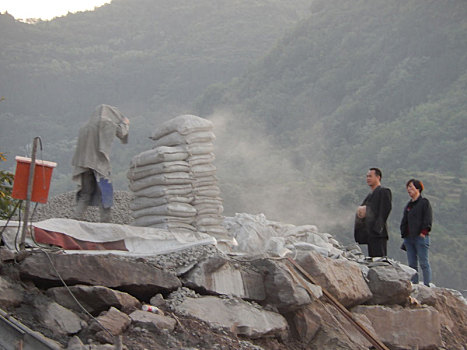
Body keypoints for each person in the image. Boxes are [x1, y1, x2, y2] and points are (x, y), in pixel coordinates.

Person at [71, 104, 130, 222]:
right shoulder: (106, 123)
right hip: (98, 163)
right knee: (105, 192)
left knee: (85, 194)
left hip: (83, 164)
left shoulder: (85, 126)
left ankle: (75, 220)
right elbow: (122, 133)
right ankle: (105, 223)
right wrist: (126, 123)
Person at [400, 179, 433, 286]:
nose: (409, 189)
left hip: (420, 237)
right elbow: (405, 220)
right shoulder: (409, 205)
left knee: (424, 263)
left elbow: (427, 218)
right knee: (412, 264)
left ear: (418, 188)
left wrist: (423, 232)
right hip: (409, 238)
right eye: (408, 187)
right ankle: (414, 284)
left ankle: (427, 285)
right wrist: (404, 234)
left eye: (411, 187)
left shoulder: (424, 203)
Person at [354, 167, 392, 257]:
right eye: (367, 176)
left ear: (378, 177)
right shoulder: (370, 195)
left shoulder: (383, 191)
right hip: (369, 234)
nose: (368, 178)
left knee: (380, 261)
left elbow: (385, 210)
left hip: (378, 233)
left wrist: (378, 228)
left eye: (370, 176)